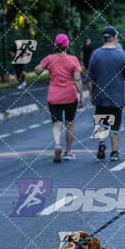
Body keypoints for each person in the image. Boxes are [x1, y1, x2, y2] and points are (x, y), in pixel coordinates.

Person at [87, 26, 125, 161]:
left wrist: (91, 95)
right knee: (116, 126)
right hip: (117, 98)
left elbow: (89, 79)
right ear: (115, 38)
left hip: (100, 97)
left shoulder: (95, 54)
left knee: (101, 123)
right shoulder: (122, 55)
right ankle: (114, 152)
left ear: (103, 38)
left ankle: (101, 143)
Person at [35, 34, 83, 162]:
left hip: (54, 96)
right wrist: (82, 96)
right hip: (70, 96)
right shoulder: (73, 59)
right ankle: (68, 151)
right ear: (67, 45)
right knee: (70, 123)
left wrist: (44, 66)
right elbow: (77, 79)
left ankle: (57, 145)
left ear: (55, 45)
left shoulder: (50, 59)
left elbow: (37, 70)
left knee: (56, 123)